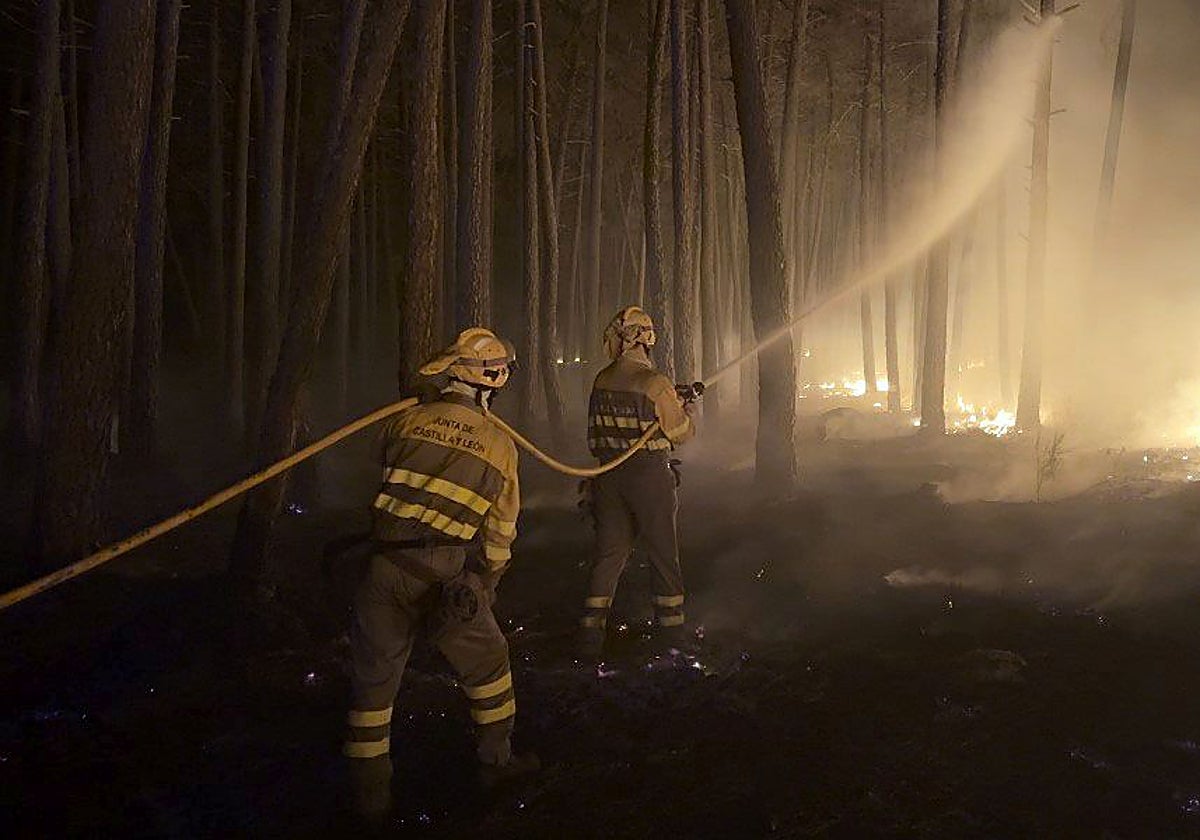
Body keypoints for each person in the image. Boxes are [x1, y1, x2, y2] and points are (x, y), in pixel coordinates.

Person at [343, 327, 538, 823]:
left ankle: (370, 796)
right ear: (491, 380)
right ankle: (496, 763)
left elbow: (372, 470)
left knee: (373, 686)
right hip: (445, 575)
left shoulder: (405, 421)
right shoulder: (499, 446)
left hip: (383, 568)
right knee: (489, 663)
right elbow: (501, 530)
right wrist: (487, 580)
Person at [578, 306, 696, 662]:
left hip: (608, 476)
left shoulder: (601, 379)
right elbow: (680, 433)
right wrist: (685, 411)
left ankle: (589, 638)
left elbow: (595, 435)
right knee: (662, 554)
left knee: (609, 555)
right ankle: (672, 636)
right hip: (649, 478)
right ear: (646, 339)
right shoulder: (654, 383)